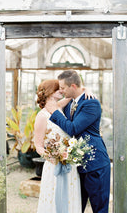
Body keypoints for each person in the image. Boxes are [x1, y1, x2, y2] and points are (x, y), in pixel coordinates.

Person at [46, 70, 111, 213]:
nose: (61, 91)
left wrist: (55, 113)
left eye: (63, 88)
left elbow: (73, 128)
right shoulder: (71, 102)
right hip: (77, 165)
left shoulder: (91, 103)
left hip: (95, 164)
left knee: (99, 209)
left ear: (73, 86)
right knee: (75, 207)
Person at [34, 79, 82, 213]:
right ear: (50, 92)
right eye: (58, 89)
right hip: (54, 165)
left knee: (70, 199)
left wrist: (86, 90)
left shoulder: (59, 108)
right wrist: (53, 157)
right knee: (53, 200)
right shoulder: (42, 116)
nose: (62, 90)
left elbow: (73, 94)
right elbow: (38, 145)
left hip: (70, 165)